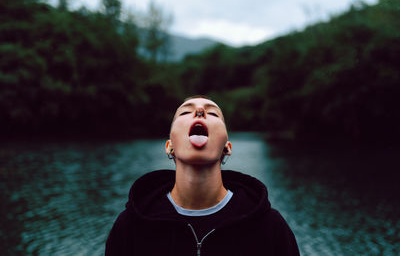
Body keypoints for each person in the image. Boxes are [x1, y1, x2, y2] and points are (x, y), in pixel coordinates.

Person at [105, 95, 300, 256]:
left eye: (213, 113)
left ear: (227, 147)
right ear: (169, 146)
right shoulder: (130, 227)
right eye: (185, 111)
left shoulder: (270, 227)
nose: (200, 112)